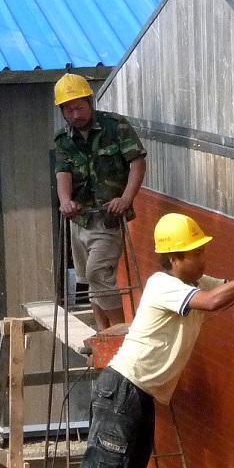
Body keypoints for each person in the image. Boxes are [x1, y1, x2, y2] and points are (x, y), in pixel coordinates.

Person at [72, 213, 234, 468]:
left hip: (140, 396)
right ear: (174, 259)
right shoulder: (161, 285)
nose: (203, 259)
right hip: (123, 391)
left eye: (203, 251)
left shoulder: (197, 282)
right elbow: (213, 301)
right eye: (196, 253)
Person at [54, 74, 146, 331]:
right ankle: (102, 332)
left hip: (108, 217)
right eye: (69, 110)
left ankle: (120, 332)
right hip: (80, 219)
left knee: (98, 272)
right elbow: (63, 173)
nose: (75, 115)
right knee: (88, 278)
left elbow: (137, 162)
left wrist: (126, 198)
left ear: (89, 101)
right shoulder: (63, 139)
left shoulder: (115, 126)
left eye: (79, 107)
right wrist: (65, 201)